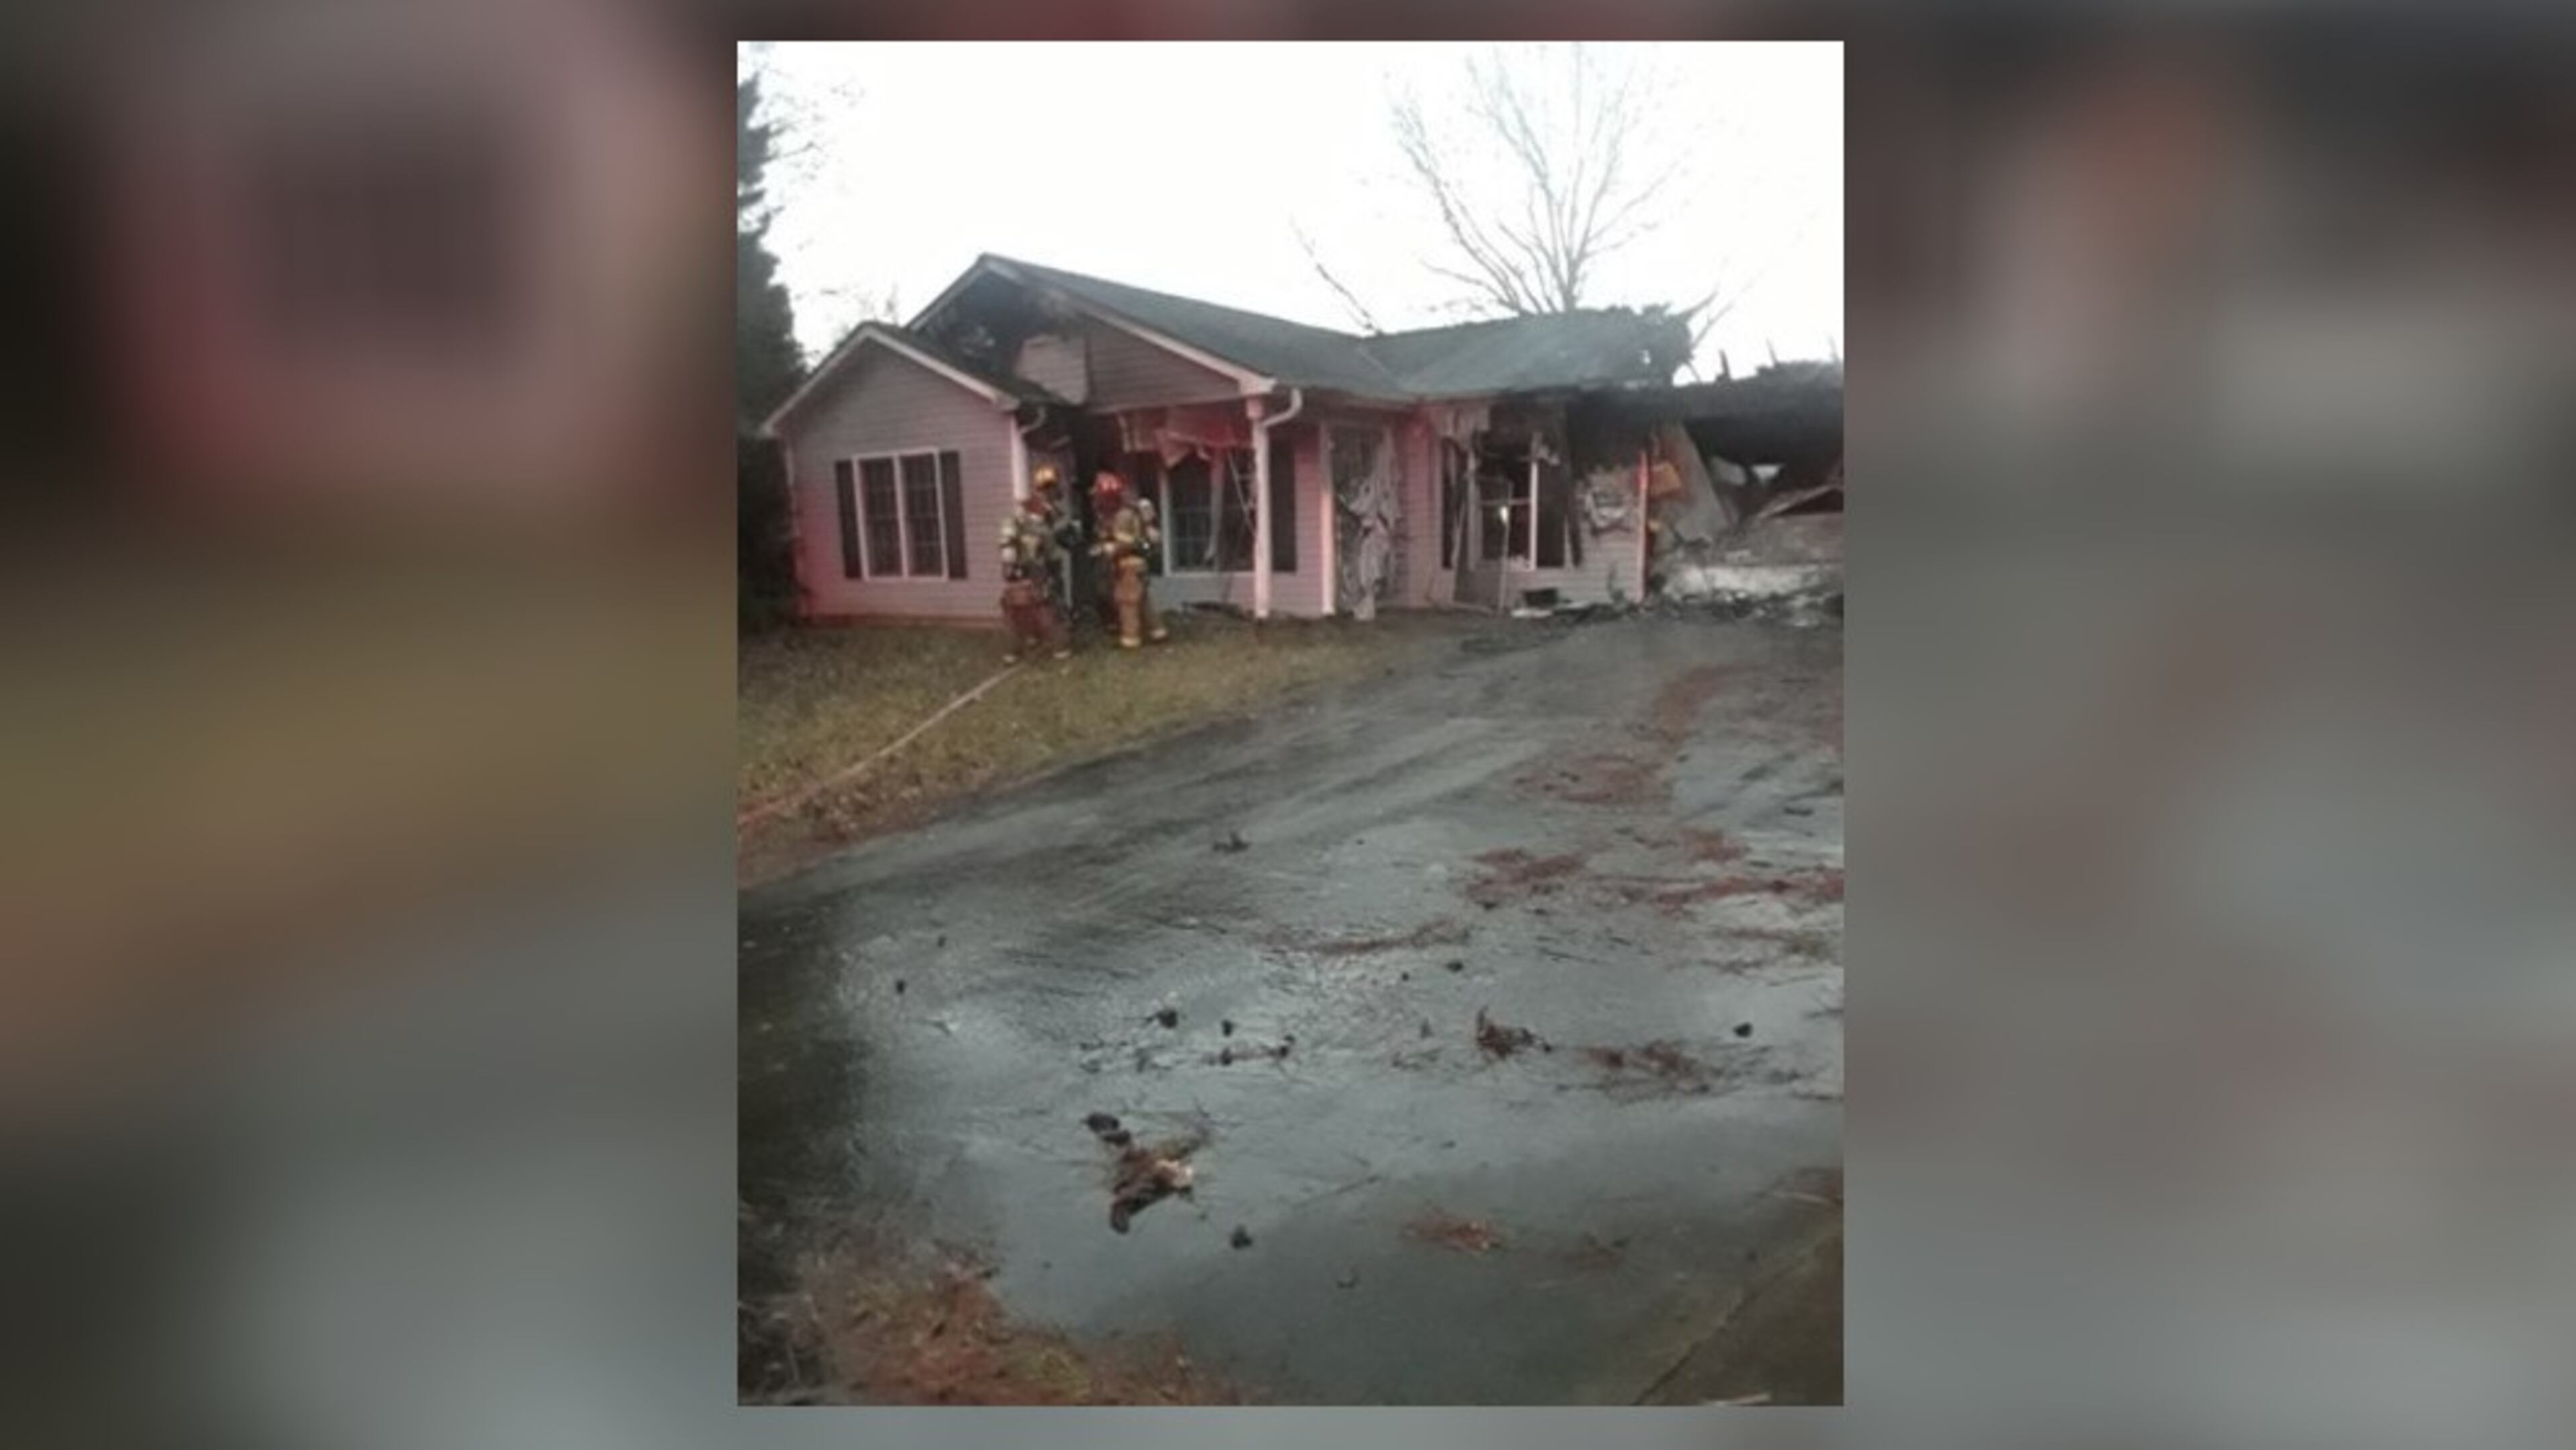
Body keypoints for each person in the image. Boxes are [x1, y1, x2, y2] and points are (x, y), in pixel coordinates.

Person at [1088, 469, 1167, 649]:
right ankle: (1158, 631)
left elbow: (1124, 543)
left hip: (1128, 564)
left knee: (1127, 603)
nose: (1097, 502)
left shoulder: (1123, 516)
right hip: (1136, 565)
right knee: (1142, 600)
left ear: (1109, 497)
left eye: (1100, 497)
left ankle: (1130, 639)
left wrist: (1108, 549)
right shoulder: (1120, 514)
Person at [996, 488, 1071, 663]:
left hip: (1015, 579)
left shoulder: (1012, 524)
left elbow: (1006, 555)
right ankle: (1060, 648)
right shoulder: (1043, 530)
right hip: (1038, 577)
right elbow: (1053, 557)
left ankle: (1013, 652)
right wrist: (1055, 574)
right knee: (1049, 611)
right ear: (1040, 509)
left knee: (1014, 616)